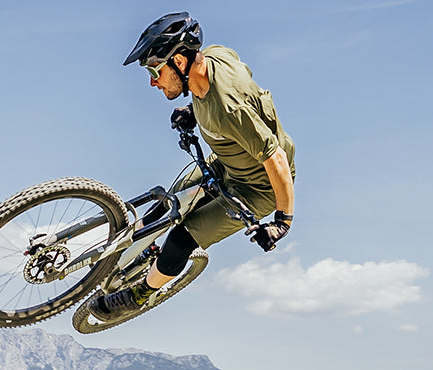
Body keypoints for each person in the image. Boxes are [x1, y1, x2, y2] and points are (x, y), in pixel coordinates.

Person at [88, 11, 297, 320]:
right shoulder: (215, 56)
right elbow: (238, 69)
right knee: (167, 205)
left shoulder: (229, 109)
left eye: (155, 70)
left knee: (181, 238)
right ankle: (139, 252)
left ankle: (139, 294)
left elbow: (275, 158)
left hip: (258, 187)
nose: (151, 82)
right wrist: (193, 110)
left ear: (180, 62)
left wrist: (283, 221)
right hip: (226, 163)